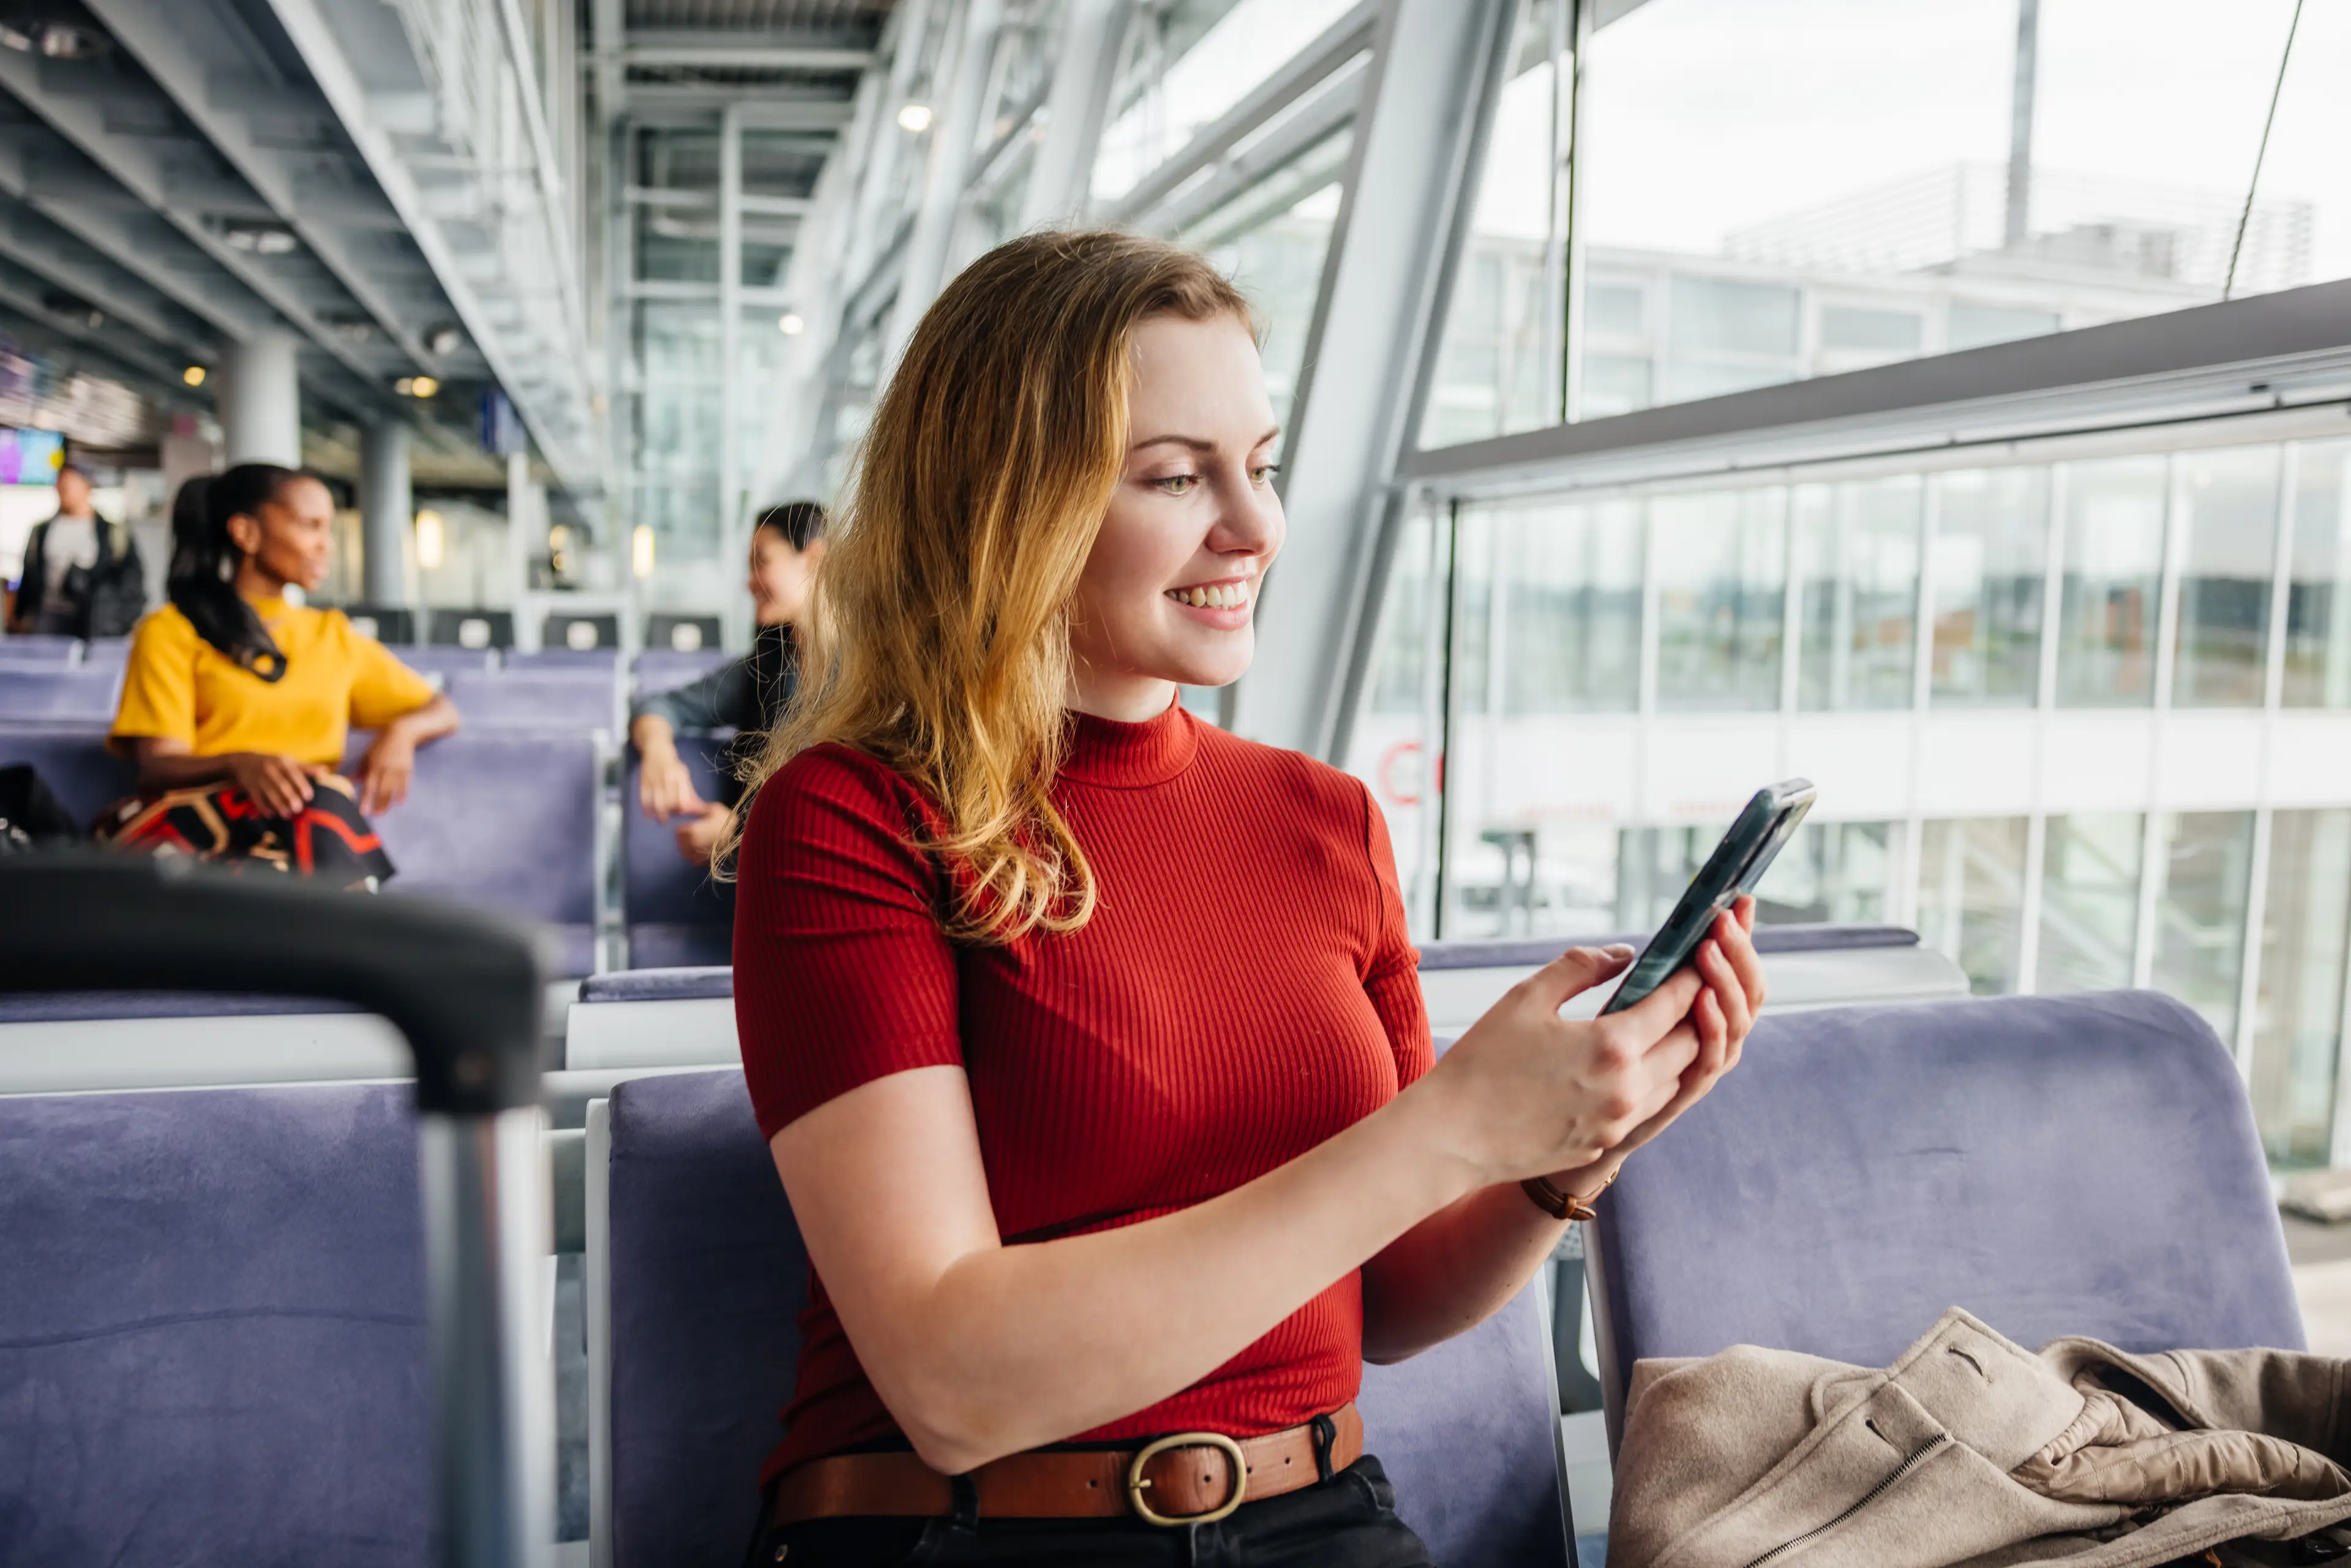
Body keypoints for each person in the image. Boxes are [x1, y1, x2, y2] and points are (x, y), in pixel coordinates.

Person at [727, 230, 1768, 1567]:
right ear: (1008, 506)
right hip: (964, 1527)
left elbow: (1387, 1299)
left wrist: (1572, 1149)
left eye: (1261, 466)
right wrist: (1451, 1126)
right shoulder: (853, 814)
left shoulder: (1325, 821)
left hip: (1320, 1516)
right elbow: (950, 1378)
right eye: (1175, 476)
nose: (1257, 527)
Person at [97, 464, 459, 888]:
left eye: (328, 528)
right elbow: (158, 763)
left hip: (305, 831)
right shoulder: (172, 630)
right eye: (310, 526)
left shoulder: (331, 635)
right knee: (321, 809)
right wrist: (241, 763)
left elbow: (442, 709)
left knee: (319, 805)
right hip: (210, 830)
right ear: (246, 533)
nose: (327, 545)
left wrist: (403, 733)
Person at [630, 501, 825, 863]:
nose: (750, 582)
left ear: (815, 559)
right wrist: (659, 752)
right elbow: (657, 707)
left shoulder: (869, 679)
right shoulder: (766, 666)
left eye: (762, 562)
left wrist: (739, 835)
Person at [7, 462, 145, 639]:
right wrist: (18, 617)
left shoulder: (112, 532)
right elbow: (29, 576)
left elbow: (131, 581)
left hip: (96, 622)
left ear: (87, 486)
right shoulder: (42, 531)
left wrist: (123, 620)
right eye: (60, 485)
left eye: (70, 485)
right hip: (48, 617)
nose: (63, 491)